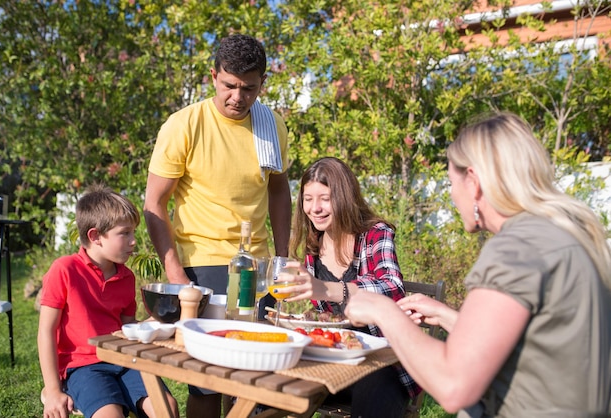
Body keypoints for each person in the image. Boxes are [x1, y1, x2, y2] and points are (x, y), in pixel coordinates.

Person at [344, 112, 611, 417]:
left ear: (473, 181)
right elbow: (541, 349)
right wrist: (448, 316)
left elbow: (454, 384)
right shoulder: (565, 234)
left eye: (450, 183)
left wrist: (382, 309)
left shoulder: (516, 249)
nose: (452, 195)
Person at [143, 33, 291, 418]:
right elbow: (154, 203)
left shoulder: (270, 125)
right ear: (213, 76)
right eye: (229, 85)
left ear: (262, 84)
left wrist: (283, 257)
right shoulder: (184, 125)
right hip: (202, 263)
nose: (238, 98)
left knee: (253, 381)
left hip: (256, 268)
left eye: (249, 88)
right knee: (207, 382)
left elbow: (278, 191)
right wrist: (176, 274)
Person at [280, 157, 421, 418]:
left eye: (325, 198)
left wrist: (329, 289)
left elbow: (392, 287)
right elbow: (330, 319)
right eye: (307, 199)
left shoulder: (375, 234)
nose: (315, 208)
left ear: (344, 196)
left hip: (382, 362)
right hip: (334, 361)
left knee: (374, 389)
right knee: (270, 382)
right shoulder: (314, 247)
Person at [37, 184, 180, 418]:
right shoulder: (64, 269)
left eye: (133, 232)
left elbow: (127, 328)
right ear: (95, 236)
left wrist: (158, 319)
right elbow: (46, 331)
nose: (134, 241)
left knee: (167, 408)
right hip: (83, 366)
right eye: (125, 233)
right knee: (110, 415)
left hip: (124, 359)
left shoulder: (126, 276)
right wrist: (53, 390)